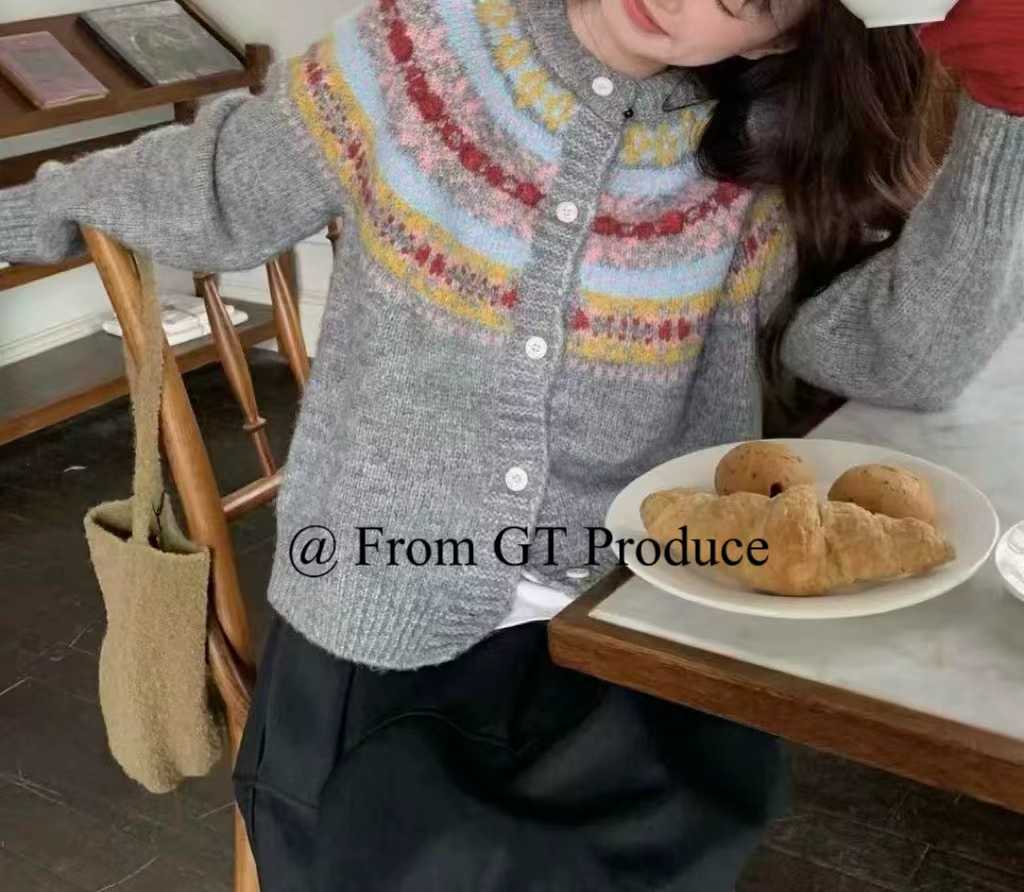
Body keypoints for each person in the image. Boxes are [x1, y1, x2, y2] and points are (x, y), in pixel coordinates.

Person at [3, 0, 1022, 888]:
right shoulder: (418, 52)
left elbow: (897, 357)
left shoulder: (760, 152)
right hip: (383, 632)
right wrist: (27, 211)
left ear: (791, 31)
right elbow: (214, 187)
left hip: (632, 641)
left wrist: (1006, 111)